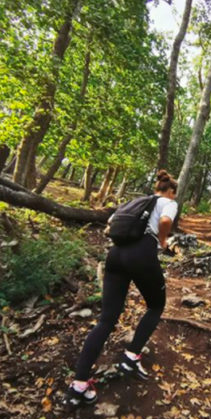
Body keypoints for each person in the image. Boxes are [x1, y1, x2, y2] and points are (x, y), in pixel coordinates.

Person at [66, 169, 178, 406]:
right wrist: (163, 240)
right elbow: (166, 221)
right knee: (156, 306)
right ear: (171, 191)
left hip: (115, 255)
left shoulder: (137, 201)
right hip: (141, 254)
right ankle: (131, 356)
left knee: (106, 320)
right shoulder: (168, 202)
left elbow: (110, 222)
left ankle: (78, 385)